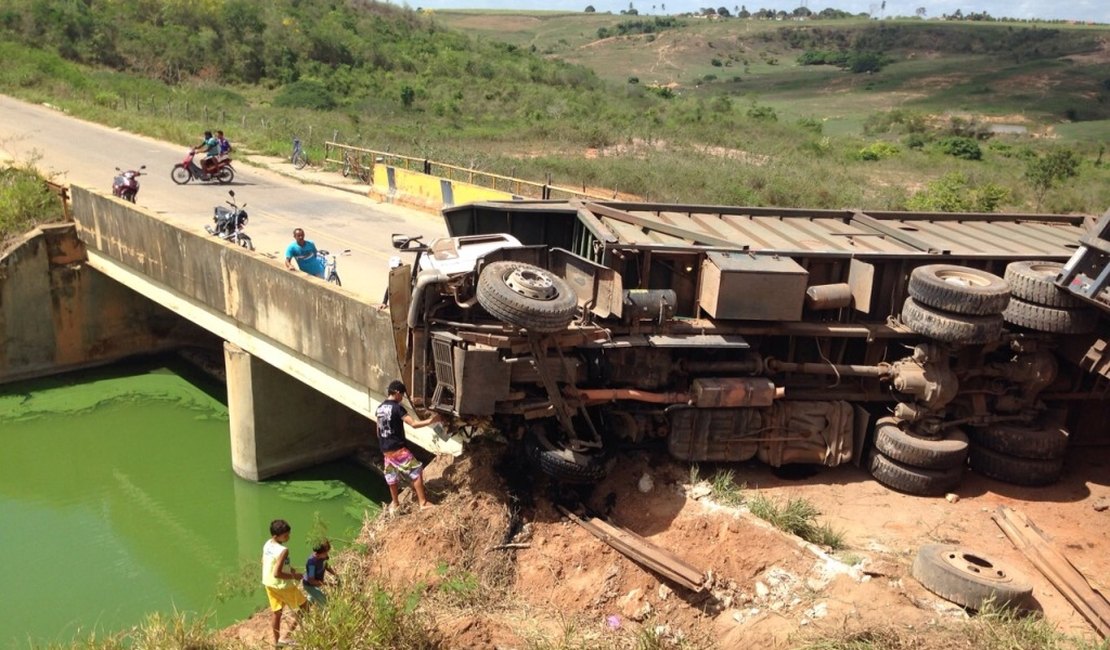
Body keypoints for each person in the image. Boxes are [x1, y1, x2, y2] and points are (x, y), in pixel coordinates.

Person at [376, 379, 441, 513]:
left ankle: (395, 504)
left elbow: (378, 431)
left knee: (391, 476)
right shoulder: (397, 408)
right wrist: (432, 420)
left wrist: (385, 444)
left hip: (386, 451)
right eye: (402, 395)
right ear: (397, 393)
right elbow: (414, 424)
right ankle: (423, 503)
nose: (402, 398)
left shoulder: (380, 408)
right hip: (398, 450)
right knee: (416, 470)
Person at [261, 519, 307, 647]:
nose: (288, 537)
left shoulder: (268, 544)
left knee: (277, 612)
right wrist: (295, 575)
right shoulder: (283, 550)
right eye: (286, 535)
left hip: (268, 583)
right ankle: (287, 637)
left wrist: (288, 567)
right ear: (276, 536)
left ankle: (277, 642)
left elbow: (265, 561)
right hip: (282, 585)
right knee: (305, 607)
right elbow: (277, 573)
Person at [303, 539, 338, 607]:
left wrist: (335, 574)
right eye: (325, 553)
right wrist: (328, 584)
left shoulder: (323, 557)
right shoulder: (311, 564)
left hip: (316, 584)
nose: (327, 555)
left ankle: (305, 607)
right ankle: (321, 615)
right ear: (318, 554)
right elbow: (311, 581)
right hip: (310, 585)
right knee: (324, 602)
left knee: (312, 599)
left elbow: (326, 565)